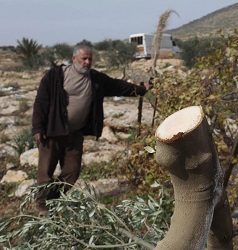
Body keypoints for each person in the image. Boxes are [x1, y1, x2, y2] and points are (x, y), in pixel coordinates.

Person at [32, 44, 152, 216]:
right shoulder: (56, 75)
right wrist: (37, 127)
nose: (87, 62)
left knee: (72, 172)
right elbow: (41, 101)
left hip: (75, 134)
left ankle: (53, 200)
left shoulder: (95, 79)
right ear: (74, 59)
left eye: (90, 59)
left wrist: (141, 89)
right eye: (84, 59)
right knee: (45, 174)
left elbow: (117, 86)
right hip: (52, 132)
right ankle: (43, 207)